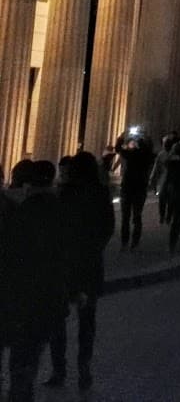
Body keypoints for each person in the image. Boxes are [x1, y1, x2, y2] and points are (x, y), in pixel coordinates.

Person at [2, 161, 68, 402]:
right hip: (38, 303)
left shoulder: (18, 212)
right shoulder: (57, 209)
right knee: (24, 369)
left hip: (17, 301)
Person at [48, 152, 112, 393]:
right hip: (90, 265)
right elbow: (107, 227)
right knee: (87, 322)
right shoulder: (100, 193)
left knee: (57, 319)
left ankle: (59, 369)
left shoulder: (64, 193)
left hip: (65, 265)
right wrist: (93, 249)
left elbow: (55, 227)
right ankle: (84, 369)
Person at [114, 133, 155, 250]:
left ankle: (124, 243)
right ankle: (134, 242)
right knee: (137, 216)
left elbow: (118, 149)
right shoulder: (147, 156)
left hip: (128, 188)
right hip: (140, 189)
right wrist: (146, 138)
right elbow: (151, 149)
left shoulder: (131, 155)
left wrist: (121, 137)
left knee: (125, 217)